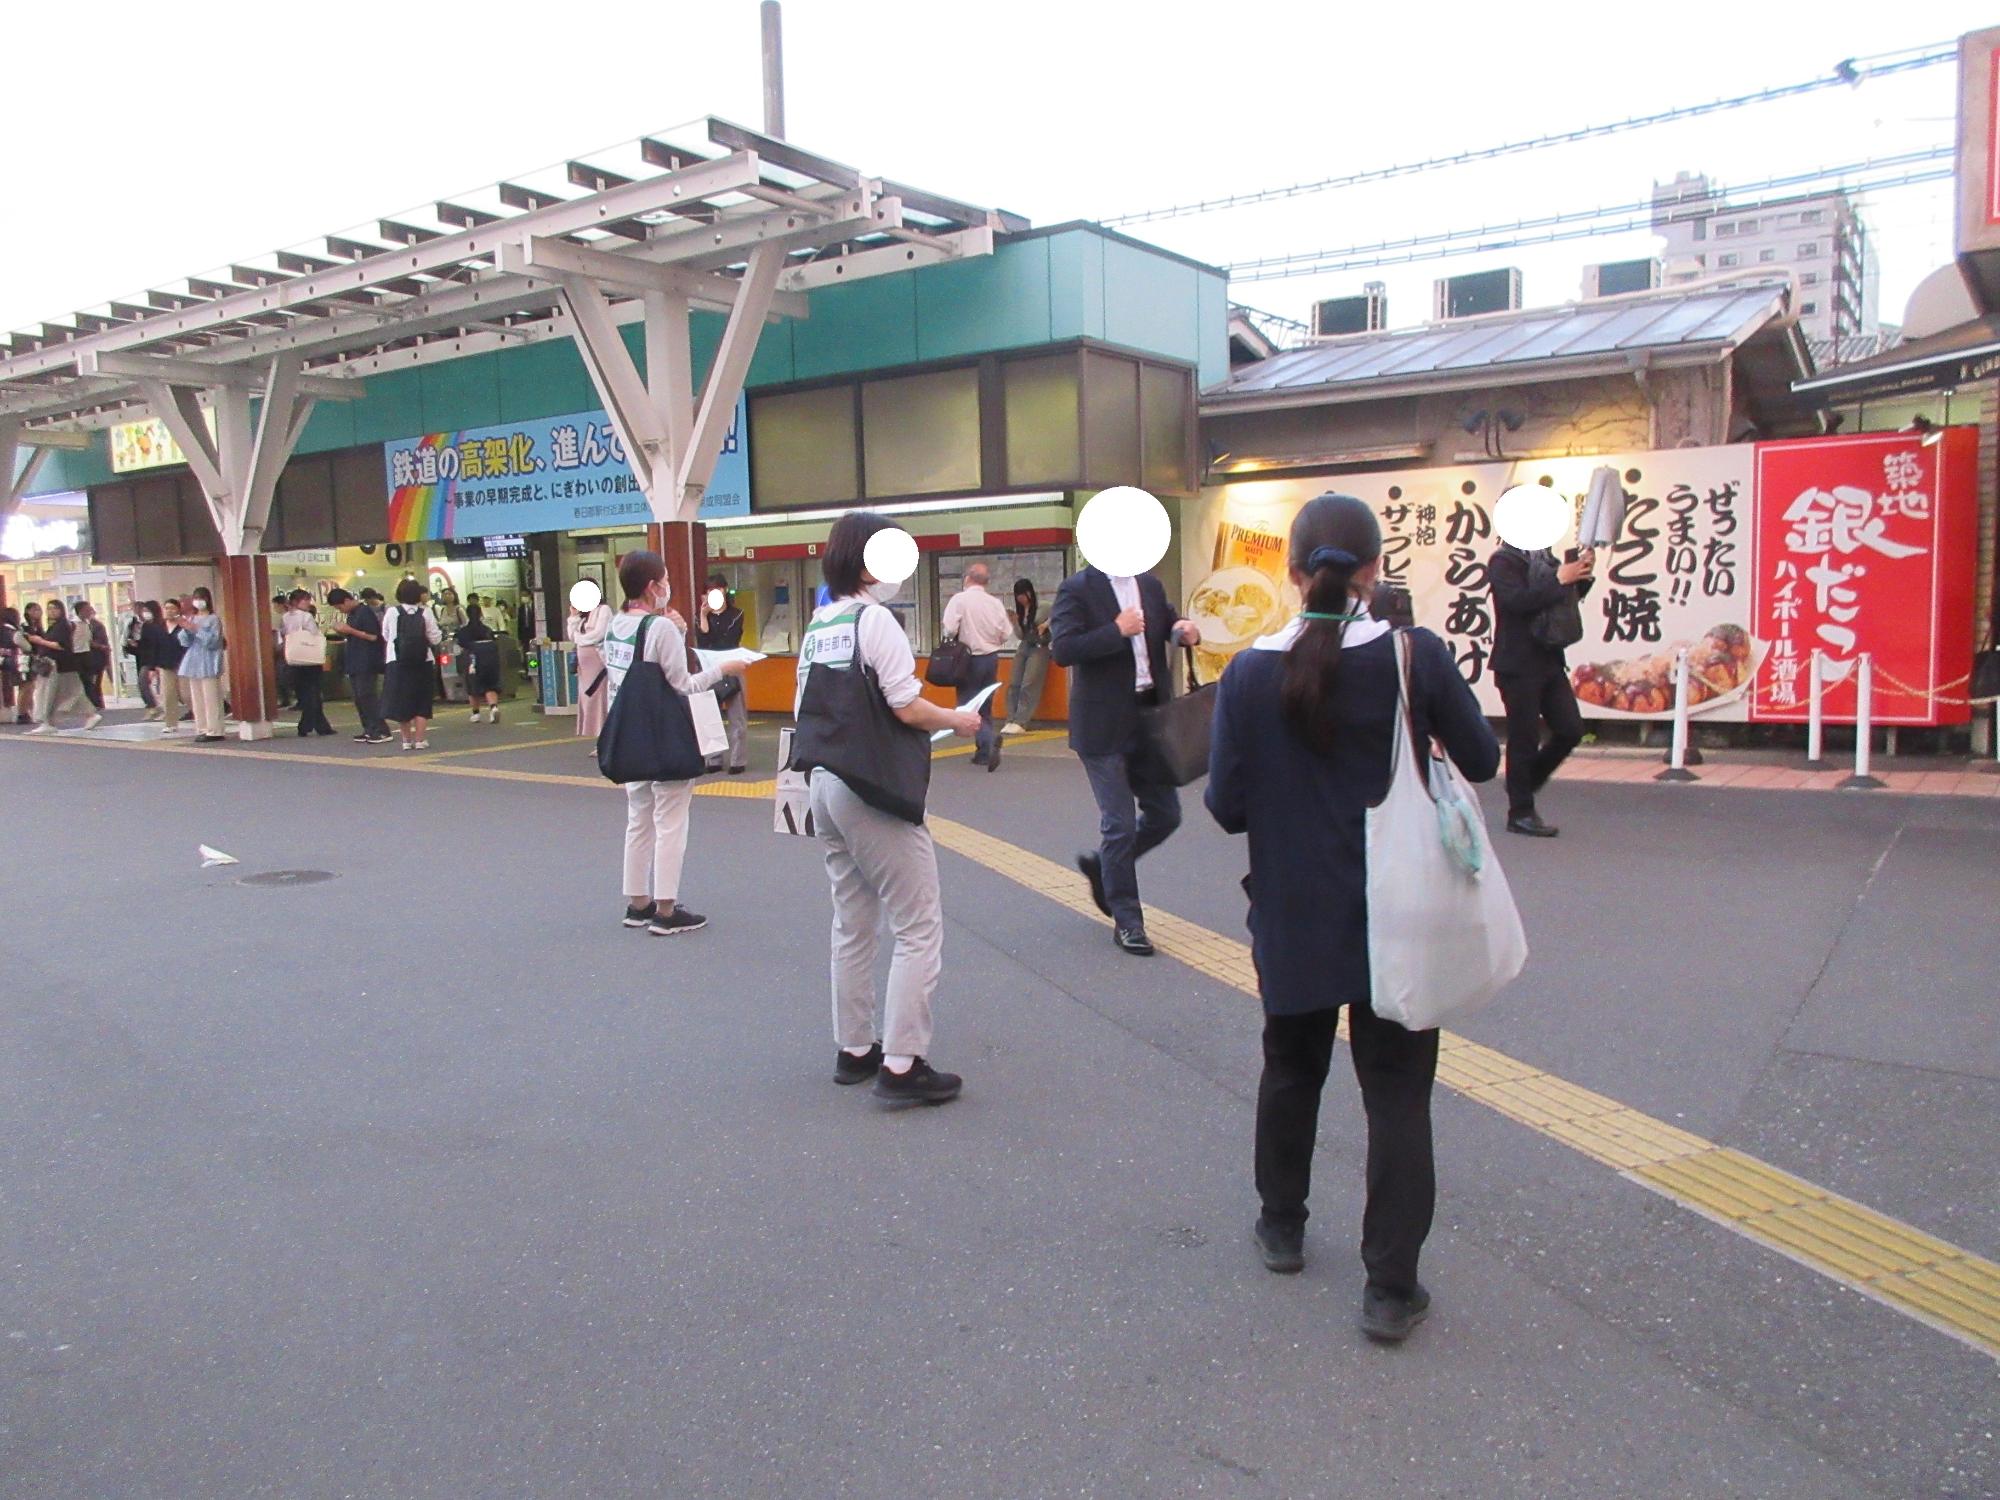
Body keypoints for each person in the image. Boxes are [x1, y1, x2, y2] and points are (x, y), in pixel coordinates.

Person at [1206, 492, 1500, 1342]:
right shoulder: (1415, 657)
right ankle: (1388, 1288)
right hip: (1401, 917)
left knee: (1291, 1069)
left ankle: (1283, 1228)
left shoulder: (1249, 673)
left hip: (1293, 914)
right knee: (1398, 1095)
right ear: (1374, 569)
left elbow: (1226, 806)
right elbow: (1482, 755)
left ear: (1293, 573)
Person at [794, 512, 980, 1104]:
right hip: (869, 786)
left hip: (822, 783)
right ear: (870, 563)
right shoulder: (875, 621)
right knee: (919, 924)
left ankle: (855, 1050)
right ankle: (903, 1064)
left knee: (852, 922)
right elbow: (904, 705)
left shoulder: (820, 622)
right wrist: (957, 718)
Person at [1049, 558, 1201, 957]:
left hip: (1151, 720)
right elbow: (1063, 648)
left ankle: (1105, 867)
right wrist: (1115, 630)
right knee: (1118, 824)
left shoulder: (1150, 585)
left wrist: (1181, 629)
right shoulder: (1077, 588)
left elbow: (1166, 621)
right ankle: (1128, 921)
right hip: (1102, 724)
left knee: (1166, 815)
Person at [602, 550, 746, 937]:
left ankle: (638, 903)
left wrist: (677, 631)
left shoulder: (616, 625)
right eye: (665, 581)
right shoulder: (659, 628)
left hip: (630, 735)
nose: (668, 588)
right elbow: (683, 683)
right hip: (664, 736)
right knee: (671, 823)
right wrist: (724, 668)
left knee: (639, 820)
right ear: (652, 586)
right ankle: (666, 910)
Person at [1488, 535, 1595, 837]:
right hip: (1517, 663)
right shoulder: (1503, 560)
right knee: (1524, 737)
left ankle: (1523, 783)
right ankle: (1520, 811)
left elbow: (1563, 597)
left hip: (1549, 658)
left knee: (1571, 728)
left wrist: (1581, 575)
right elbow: (1517, 602)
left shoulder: (1545, 559)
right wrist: (1560, 579)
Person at [936, 562, 1013, 771]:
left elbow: (950, 630)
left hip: (967, 660)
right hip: (991, 658)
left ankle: (988, 742)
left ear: (967, 579)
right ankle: (982, 751)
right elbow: (1006, 633)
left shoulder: (959, 600)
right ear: (986, 582)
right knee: (985, 704)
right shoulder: (995, 603)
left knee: (969, 705)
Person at [694, 573, 749, 774]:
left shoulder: (737, 614)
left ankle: (737, 760)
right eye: (708, 591)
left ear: (725, 590)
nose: (712, 595)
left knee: (737, 716)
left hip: (732, 667)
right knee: (709, 715)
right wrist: (703, 616)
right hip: (709, 670)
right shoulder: (699, 617)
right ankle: (713, 759)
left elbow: (729, 639)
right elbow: (704, 642)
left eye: (716, 590)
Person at [383, 578, 442, 750]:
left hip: (396, 662)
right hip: (422, 661)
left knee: (402, 700)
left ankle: (406, 741)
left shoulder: (391, 612)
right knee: (422, 700)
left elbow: (386, 635)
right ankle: (420, 739)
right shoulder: (426, 612)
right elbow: (435, 637)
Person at [327, 588, 390, 743]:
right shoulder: (352, 614)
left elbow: (374, 636)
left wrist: (350, 630)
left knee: (367, 696)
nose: (340, 610)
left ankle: (381, 730)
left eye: (339, 607)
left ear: (347, 601)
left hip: (367, 661)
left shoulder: (365, 612)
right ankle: (368, 728)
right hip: (355, 660)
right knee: (358, 698)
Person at [26, 599, 97, 733]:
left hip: (57, 664)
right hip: (63, 665)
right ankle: (90, 714)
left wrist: (39, 640)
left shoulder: (62, 625)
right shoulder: (56, 625)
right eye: (49, 609)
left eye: (55, 608)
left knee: (49, 693)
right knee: (71, 692)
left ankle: (47, 721)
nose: (51, 611)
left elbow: (60, 645)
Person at [279, 590, 335, 737]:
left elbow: (284, 634)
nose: (309, 603)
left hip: (294, 657)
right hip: (309, 658)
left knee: (305, 693)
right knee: (314, 692)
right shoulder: (307, 616)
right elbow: (314, 634)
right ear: (297, 601)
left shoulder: (285, 617)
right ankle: (308, 725)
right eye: (306, 600)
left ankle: (318, 726)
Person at [176, 587, 228, 743]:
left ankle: (215, 729)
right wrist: (185, 628)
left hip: (209, 660)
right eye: (196, 598)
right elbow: (184, 641)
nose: (199, 601)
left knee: (211, 696)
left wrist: (195, 629)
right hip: (194, 661)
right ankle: (202, 728)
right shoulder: (192, 618)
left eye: (202, 598)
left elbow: (213, 641)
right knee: (197, 697)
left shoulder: (213, 619)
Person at [1001, 577, 1051, 735]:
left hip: (1039, 647)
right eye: (1017, 596)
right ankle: (1011, 719)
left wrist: (1046, 625)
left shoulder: (1043, 606)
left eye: (1022, 594)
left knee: (1029, 684)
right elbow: (1021, 635)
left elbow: (1061, 613)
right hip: (1024, 646)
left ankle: (1021, 721)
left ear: (1029, 592)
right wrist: (1015, 622)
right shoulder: (1022, 611)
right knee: (1014, 683)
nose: (1020, 598)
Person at [570, 585, 613, 744]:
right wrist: (573, 617)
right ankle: (600, 740)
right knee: (589, 701)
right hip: (585, 667)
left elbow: (599, 634)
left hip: (599, 663)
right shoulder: (583, 615)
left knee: (599, 699)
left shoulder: (604, 610)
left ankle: (605, 741)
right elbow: (571, 634)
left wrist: (580, 639)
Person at [142, 599, 187, 736]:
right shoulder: (159, 627)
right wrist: (152, 668)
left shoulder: (183, 626)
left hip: (183, 664)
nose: (169, 611)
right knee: (168, 695)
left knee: (186, 694)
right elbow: (154, 647)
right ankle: (171, 723)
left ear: (179, 610)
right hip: (165, 664)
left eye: (172, 608)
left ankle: (201, 719)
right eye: (167, 608)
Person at [455, 604, 503, 724]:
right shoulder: (487, 629)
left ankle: (476, 713)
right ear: (481, 614)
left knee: (473, 686)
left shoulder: (463, 632)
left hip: (473, 660)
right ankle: (493, 707)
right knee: (490, 685)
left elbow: (461, 646)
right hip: (490, 659)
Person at [123, 601, 159, 718]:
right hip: (143, 657)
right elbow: (140, 642)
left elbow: (154, 644)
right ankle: (151, 706)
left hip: (155, 658)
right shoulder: (135, 624)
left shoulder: (156, 625)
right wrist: (131, 646)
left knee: (145, 681)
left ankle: (155, 706)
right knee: (143, 682)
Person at [75, 601, 111, 713]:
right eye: (87, 609)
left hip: (93, 658)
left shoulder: (92, 625)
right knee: (89, 683)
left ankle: (96, 705)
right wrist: (101, 647)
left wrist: (104, 650)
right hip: (84, 657)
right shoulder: (76, 625)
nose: (90, 611)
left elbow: (91, 641)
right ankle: (94, 705)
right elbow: (88, 642)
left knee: (93, 683)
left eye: (90, 609)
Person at [14, 602, 42, 724]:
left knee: (31, 686)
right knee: (26, 686)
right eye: (35, 610)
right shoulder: (24, 626)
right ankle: (22, 713)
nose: (38, 612)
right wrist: (29, 648)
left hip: (36, 657)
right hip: (26, 659)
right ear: (28, 611)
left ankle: (30, 711)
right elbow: (18, 639)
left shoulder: (38, 626)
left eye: (39, 610)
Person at [1, 605, 26, 721]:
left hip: (4, 661)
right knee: (25, 686)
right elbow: (25, 646)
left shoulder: (3, 629)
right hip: (15, 661)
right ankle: (22, 713)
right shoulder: (13, 631)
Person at [271, 593, 295, 710]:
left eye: (275, 606)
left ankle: (287, 698)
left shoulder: (287, 617)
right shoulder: (284, 617)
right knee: (281, 675)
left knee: (283, 674)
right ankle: (285, 698)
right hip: (283, 648)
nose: (275, 609)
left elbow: (285, 634)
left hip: (285, 649)